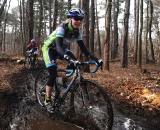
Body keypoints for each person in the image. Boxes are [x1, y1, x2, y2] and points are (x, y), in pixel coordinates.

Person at [42, 8, 100, 113]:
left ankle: (62, 82)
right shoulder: (61, 28)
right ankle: (47, 100)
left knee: (75, 62)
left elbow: (84, 49)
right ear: (70, 18)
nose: (78, 21)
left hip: (61, 50)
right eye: (76, 18)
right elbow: (59, 47)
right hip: (49, 49)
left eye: (80, 19)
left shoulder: (77, 32)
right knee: (53, 73)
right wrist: (67, 57)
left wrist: (96, 59)